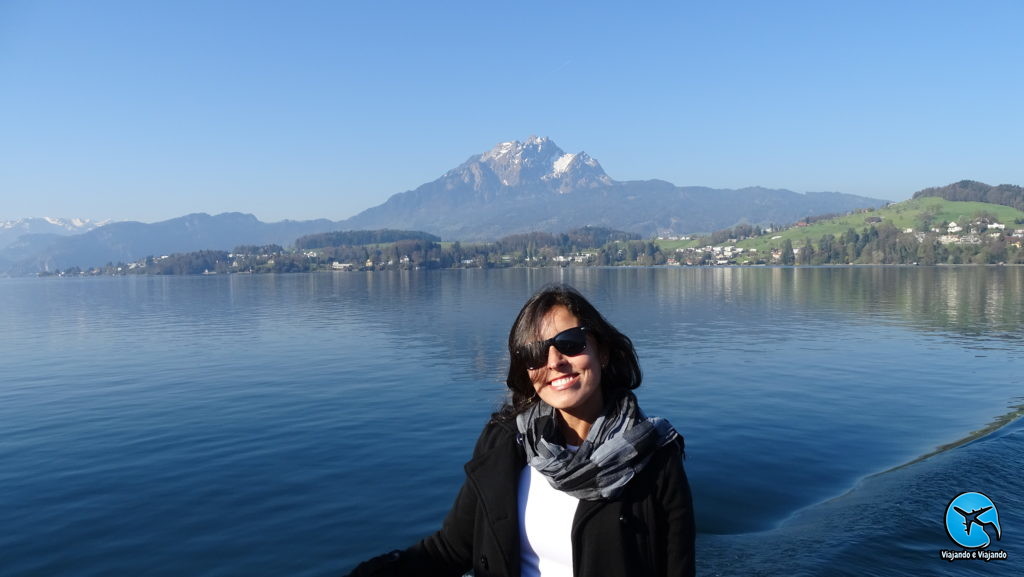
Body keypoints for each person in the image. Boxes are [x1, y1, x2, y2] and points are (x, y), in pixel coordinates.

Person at [345, 284, 695, 577]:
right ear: (526, 370)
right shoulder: (504, 442)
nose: (554, 361)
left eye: (570, 343)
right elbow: (452, 549)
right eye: (534, 353)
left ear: (601, 351)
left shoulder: (652, 458)